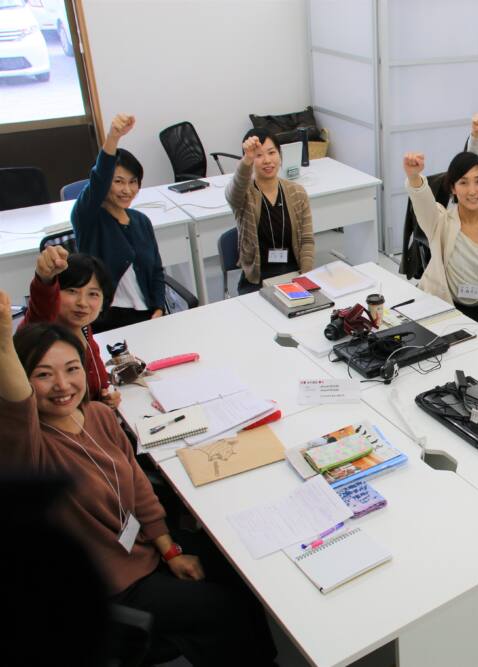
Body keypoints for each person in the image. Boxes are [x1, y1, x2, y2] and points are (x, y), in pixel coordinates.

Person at [0, 297, 278, 665]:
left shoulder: (98, 416)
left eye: (72, 369)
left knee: (238, 569)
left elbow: (139, 488)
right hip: (109, 584)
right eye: (43, 374)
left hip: (144, 547)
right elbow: (16, 406)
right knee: (221, 607)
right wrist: (4, 338)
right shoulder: (29, 446)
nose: (62, 385)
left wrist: (170, 550)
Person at [71, 114, 166, 332]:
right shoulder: (89, 219)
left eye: (133, 182)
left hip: (149, 316)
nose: (127, 190)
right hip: (107, 322)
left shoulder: (141, 221)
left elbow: (157, 272)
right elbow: (99, 179)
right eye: (118, 182)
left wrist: (159, 308)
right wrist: (113, 138)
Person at [404, 150, 478, 332]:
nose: (472, 191)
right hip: (444, 306)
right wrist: (414, 176)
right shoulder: (440, 221)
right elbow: (422, 201)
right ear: (453, 188)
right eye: (463, 182)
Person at [20, 245, 118, 409]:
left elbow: (95, 384)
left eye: (93, 294)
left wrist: (105, 399)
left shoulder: (83, 327)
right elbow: (41, 303)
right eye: (72, 291)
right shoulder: (41, 332)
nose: (82, 303)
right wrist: (45, 278)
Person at [226, 128, 315, 295]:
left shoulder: (297, 192)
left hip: (293, 275)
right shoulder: (245, 196)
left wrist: (305, 277)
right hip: (256, 281)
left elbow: (307, 240)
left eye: (272, 152)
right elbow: (234, 191)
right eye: (258, 156)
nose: (267, 160)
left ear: (280, 155)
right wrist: (247, 159)